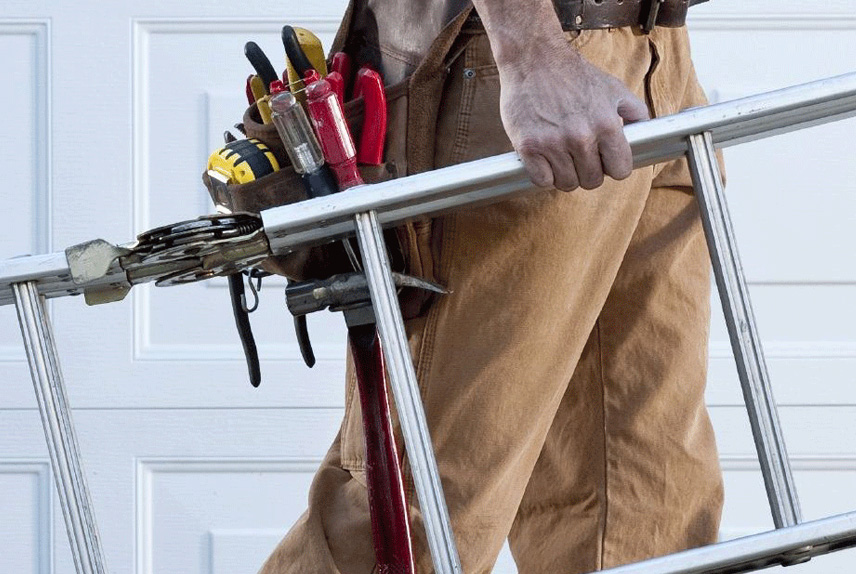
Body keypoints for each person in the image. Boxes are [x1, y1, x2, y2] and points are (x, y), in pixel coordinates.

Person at [261, 0, 723, 571]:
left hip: (653, 54)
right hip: (521, 54)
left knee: (640, 504)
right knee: (417, 520)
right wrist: (530, 53)